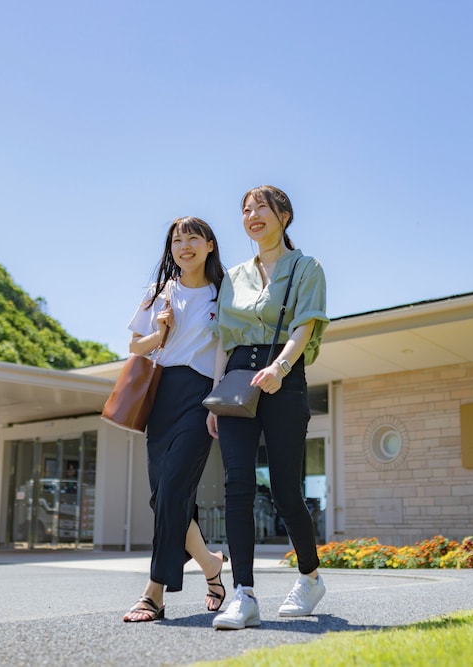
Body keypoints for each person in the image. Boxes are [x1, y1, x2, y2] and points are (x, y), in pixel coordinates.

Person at [207, 186, 329, 630]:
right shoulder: (234, 276)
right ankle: (243, 594)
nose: (252, 215)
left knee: (284, 490)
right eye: (245, 209)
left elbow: (305, 324)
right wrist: (215, 396)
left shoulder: (305, 268)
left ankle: (310, 577)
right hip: (238, 381)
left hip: (284, 376)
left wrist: (279, 368)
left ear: (284, 215)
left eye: (261, 207)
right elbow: (224, 341)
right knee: (236, 486)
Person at [122, 216, 231, 622]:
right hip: (162, 394)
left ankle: (154, 593)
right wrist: (161, 331)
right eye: (176, 240)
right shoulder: (158, 293)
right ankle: (211, 565)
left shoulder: (223, 295)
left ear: (209, 246)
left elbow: (225, 349)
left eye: (193, 239)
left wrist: (218, 399)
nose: (184, 246)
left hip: (201, 394)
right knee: (163, 496)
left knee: (171, 491)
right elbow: (135, 346)